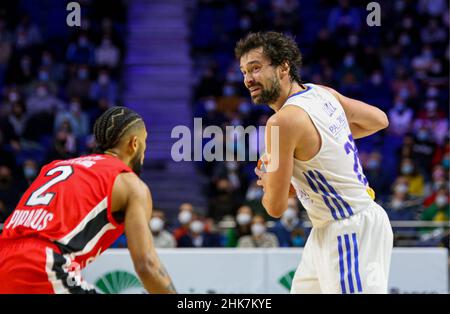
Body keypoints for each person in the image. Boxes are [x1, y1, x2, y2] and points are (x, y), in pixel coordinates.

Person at [235, 32, 393, 293]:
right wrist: (320, 148)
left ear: (284, 66)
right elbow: (378, 120)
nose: (248, 79)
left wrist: (269, 180)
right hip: (329, 228)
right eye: (244, 72)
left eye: (256, 68)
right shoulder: (321, 93)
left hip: (348, 227)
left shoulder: (282, 122)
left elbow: (274, 207)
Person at [0, 106, 176, 294]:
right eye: (145, 143)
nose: (144, 152)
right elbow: (147, 266)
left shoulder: (55, 167)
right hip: (42, 264)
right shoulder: (130, 183)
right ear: (134, 144)